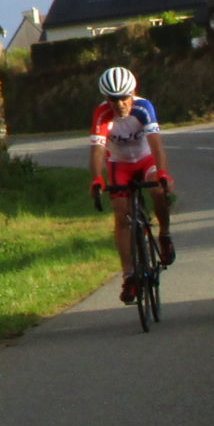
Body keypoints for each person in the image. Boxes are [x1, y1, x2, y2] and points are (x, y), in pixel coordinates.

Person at [89, 65, 174, 301]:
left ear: (133, 93)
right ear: (106, 99)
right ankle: (129, 276)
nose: (120, 105)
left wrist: (163, 173)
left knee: (157, 189)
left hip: (146, 158)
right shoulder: (102, 114)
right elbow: (97, 150)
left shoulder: (143, 108)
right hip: (119, 163)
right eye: (113, 100)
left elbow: (156, 144)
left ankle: (165, 234)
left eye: (124, 98)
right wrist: (96, 178)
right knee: (121, 215)